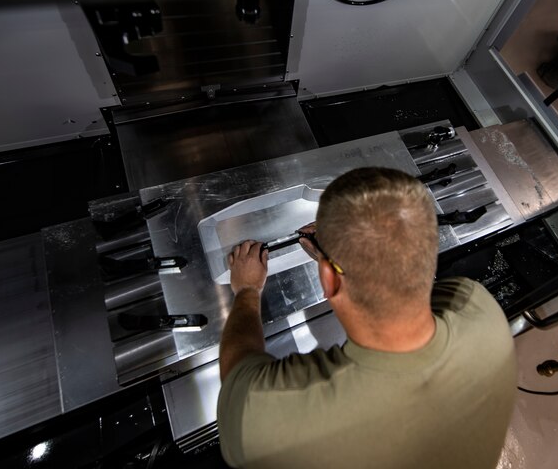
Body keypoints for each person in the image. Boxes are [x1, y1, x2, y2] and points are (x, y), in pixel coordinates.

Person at [217, 167, 516, 469]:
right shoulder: (476, 304)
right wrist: (334, 257)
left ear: (329, 281)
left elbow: (236, 375)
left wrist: (247, 290)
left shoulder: (271, 424)